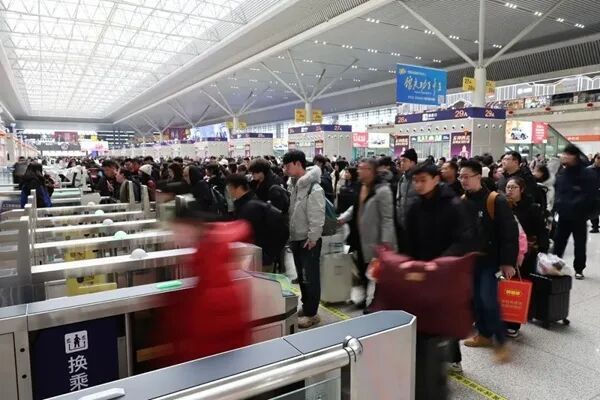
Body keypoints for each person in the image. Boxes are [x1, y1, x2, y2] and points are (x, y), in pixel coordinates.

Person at [403, 162, 477, 385]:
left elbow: (465, 239)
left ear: (436, 179)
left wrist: (441, 262)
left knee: (446, 317)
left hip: (447, 272)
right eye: (415, 181)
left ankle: (453, 358)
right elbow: (407, 238)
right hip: (421, 271)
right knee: (423, 316)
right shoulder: (415, 206)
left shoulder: (453, 204)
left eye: (423, 180)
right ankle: (424, 359)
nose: (418, 185)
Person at [460, 159, 518, 363]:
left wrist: (508, 262)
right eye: (460, 177)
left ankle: (501, 343)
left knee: (489, 299)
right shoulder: (463, 201)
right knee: (477, 299)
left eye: (466, 176)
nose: (463, 180)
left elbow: (509, 233)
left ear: (478, 177)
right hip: (471, 261)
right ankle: (484, 334)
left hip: (490, 261)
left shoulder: (495, 200)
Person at [338, 158, 397, 309]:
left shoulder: (383, 190)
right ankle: (364, 298)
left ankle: (377, 303)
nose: (359, 171)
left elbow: (387, 219)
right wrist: (343, 218)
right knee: (363, 269)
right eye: (359, 168)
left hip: (376, 240)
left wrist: (386, 243)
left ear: (371, 171)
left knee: (378, 274)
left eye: (362, 168)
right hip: (359, 236)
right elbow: (356, 206)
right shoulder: (361, 186)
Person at [283, 150, 325, 329]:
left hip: (308, 240)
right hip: (296, 237)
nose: (285, 169)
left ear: (298, 164)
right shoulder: (293, 185)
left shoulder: (313, 188)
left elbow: (317, 215)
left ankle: (312, 313)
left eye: (288, 165)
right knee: (302, 276)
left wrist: (313, 237)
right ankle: (307, 306)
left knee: (310, 277)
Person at [504, 176, 549, 337]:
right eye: (508, 187)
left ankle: (513, 323)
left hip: (525, 253)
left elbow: (542, 231)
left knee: (517, 286)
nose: (510, 190)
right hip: (506, 250)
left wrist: (541, 250)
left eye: (514, 187)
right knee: (503, 285)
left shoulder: (532, 208)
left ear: (521, 190)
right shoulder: (502, 205)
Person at [553, 144, 598, 280]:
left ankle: (579, 269)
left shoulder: (586, 173)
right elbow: (558, 191)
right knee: (559, 242)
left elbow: (590, 195)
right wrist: (557, 206)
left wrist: (579, 206)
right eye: (564, 154)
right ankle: (555, 267)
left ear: (575, 156)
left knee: (579, 243)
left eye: (567, 154)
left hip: (579, 215)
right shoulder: (563, 173)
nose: (564, 156)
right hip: (563, 215)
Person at [226, 173, 274, 267]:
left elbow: (248, 232)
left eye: (230, 188)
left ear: (239, 187)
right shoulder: (248, 201)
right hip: (253, 253)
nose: (229, 191)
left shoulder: (250, 206)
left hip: (255, 255)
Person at [396, 148, 419, 229]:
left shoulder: (419, 178)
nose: (401, 163)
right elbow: (398, 201)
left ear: (413, 162)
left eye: (404, 161)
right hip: (403, 224)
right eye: (401, 161)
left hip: (417, 225)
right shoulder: (402, 179)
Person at [587, 153, 600, 233]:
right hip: (592, 193)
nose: (599, 160)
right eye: (598, 158)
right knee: (593, 211)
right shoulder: (589, 169)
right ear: (594, 159)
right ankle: (595, 227)